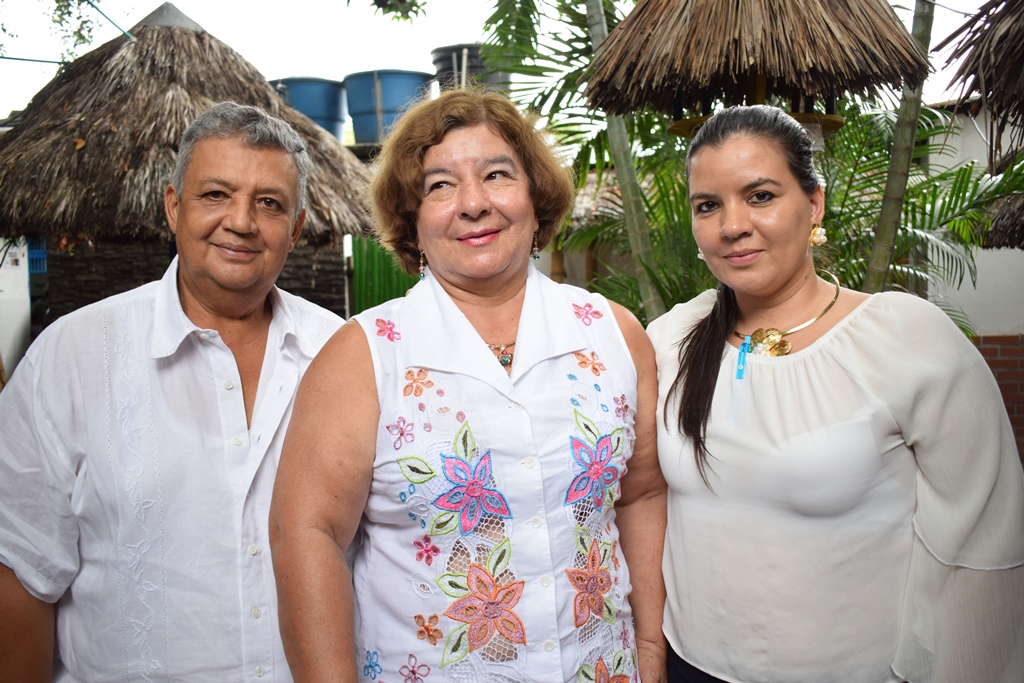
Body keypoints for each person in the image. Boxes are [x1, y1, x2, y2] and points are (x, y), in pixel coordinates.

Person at [270, 88, 668, 683]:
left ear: (535, 196)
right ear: (412, 220)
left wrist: (650, 648)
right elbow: (307, 534)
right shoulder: (364, 356)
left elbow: (641, 495)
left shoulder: (613, 333)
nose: (474, 203)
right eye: (440, 185)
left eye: (497, 174)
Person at [646, 104, 1024, 683]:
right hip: (689, 666)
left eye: (761, 196)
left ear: (814, 204)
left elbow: (984, 545)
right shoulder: (672, 338)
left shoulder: (905, 338)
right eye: (708, 206)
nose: (732, 225)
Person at [0, 101, 343, 682]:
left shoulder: (342, 355)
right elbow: (20, 571)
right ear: (173, 206)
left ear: (296, 227)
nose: (241, 221)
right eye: (216, 194)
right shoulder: (71, 357)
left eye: (269, 203)